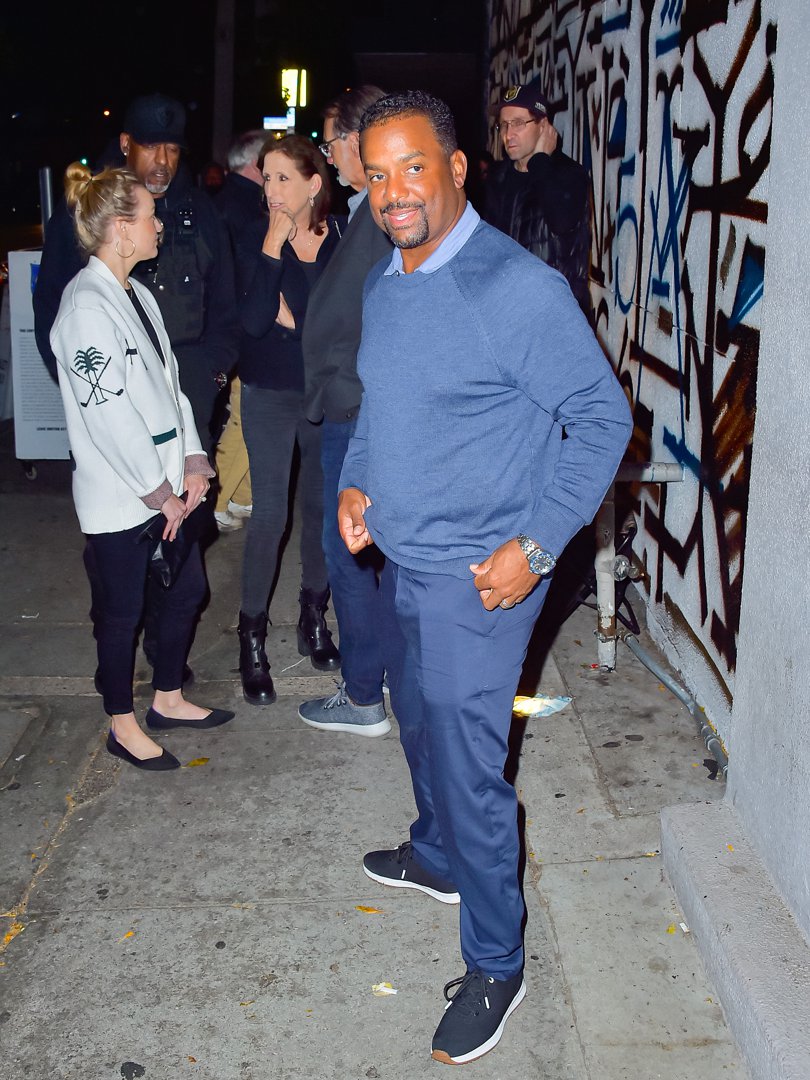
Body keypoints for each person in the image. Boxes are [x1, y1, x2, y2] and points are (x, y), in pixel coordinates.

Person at [339, 91, 632, 1063]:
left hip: (484, 573)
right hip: (406, 555)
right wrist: (355, 485)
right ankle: (434, 854)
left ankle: (497, 962)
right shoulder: (390, 281)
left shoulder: (515, 289)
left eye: (413, 166)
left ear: (458, 167)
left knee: (471, 768)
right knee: (416, 719)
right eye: (377, 173)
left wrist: (539, 545)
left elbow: (603, 421)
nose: (394, 191)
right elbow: (381, 409)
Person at [50, 162, 234, 772]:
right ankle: (121, 724)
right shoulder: (84, 309)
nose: (161, 223)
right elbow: (109, 417)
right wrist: (160, 493)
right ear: (122, 229)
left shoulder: (139, 295)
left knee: (186, 593)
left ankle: (168, 697)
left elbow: (169, 386)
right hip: (123, 498)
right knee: (121, 613)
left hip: (169, 489)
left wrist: (194, 459)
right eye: (151, 216)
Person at [34, 92, 239, 458]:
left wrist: (212, 376)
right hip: (111, 395)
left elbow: (226, 305)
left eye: (173, 149)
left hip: (188, 387)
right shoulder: (84, 214)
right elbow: (51, 308)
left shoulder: (203, 212)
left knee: (192, 509)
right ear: (126, 144)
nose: (163, 161)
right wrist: (84, 384)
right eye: (150, 146)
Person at [295, 84, 393, 739]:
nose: (329, 158)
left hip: (356, 408)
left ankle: (363, 697)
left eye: (332, 143)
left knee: (347, 550)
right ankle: (379, 673)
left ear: (359, 139)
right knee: (367, 550)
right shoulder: (364, 212)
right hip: (354, 402)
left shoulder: (382, 214)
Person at [235, 134, 343, 705]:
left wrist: (297, 322)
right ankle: (251, 639)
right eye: (266, 177)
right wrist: (273, 247)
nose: (271, 190)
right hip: (270, 391)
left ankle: (313, 619)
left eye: (283, 178)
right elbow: (253, 323)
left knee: (323, 510)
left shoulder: (340, 239)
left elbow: (336, 320)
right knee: (270, 514)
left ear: (313, 185)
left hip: (325, 394)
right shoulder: (256, 238)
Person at [484, 80, 592, 317]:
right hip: (508, 312)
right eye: (503, 125)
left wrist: (540, 159)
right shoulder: (498, 177)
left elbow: (561, 221)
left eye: (518, 123)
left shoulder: (568, 174)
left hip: (557, 314)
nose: (508, 134)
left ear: (543, 126)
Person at [211, 130, 267, 533]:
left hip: (232, 331)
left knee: (247, 415)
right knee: (246, 417)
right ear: (255, 165)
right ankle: (216, 501)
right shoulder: (245, 208)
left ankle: (241, 497)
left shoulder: (224, 202)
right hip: (244, 335)